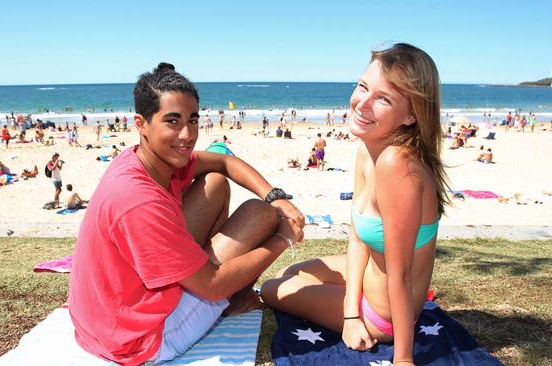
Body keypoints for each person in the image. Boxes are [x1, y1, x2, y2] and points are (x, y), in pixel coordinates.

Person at [68, 62, 305, 365]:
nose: (186, 134)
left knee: (215, 183)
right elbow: (212, 284)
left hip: (105, 318)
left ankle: (231, 293)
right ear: (141, 123)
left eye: (192, 120)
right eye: (172, 121)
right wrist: (283, 238)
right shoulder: (138, 200)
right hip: (140, 340)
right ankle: (235, 300)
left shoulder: (145, 160)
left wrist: (277, 196)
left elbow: (224, 163)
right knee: (261, 216)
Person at [261, 43, 450, 366]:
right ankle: (347, 303)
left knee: (271, 288)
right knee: (293, 271)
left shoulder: (396, 165)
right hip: (367, 284)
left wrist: (402, 359)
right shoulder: (369, 149)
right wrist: (348, 313)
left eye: (383, 98)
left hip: (382, 312)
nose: (362, 103)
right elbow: (359, 236)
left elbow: (401, 274)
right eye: (363, 87)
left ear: (410, 115)